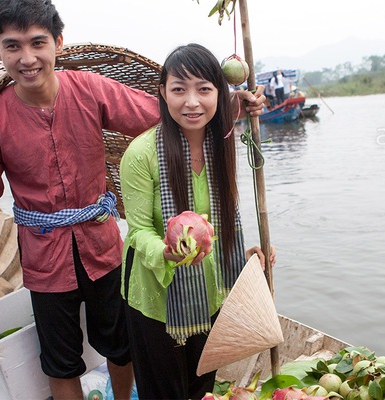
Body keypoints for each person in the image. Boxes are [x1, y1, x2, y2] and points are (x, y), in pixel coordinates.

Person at [0, 0, 162, 398]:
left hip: (103, 248)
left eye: (38, 43)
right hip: (43, 260)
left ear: (58, 43)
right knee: (60, 360)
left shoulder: (89, 89)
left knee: (121, 346)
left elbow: (156, 114)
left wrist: (228, 105)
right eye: (12, 46)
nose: (27, 58)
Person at [119, 43, 275, 400]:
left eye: (204, 89)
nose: (192, 102)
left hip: (209, 292)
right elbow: (139, 231)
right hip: (156, 300)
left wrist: (244, 253)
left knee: (201, 390)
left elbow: (219, 222)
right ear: (163, 93)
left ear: (219, 93)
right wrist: (168, 252)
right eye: (179, 89)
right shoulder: (141, 154)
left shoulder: (221, 144)